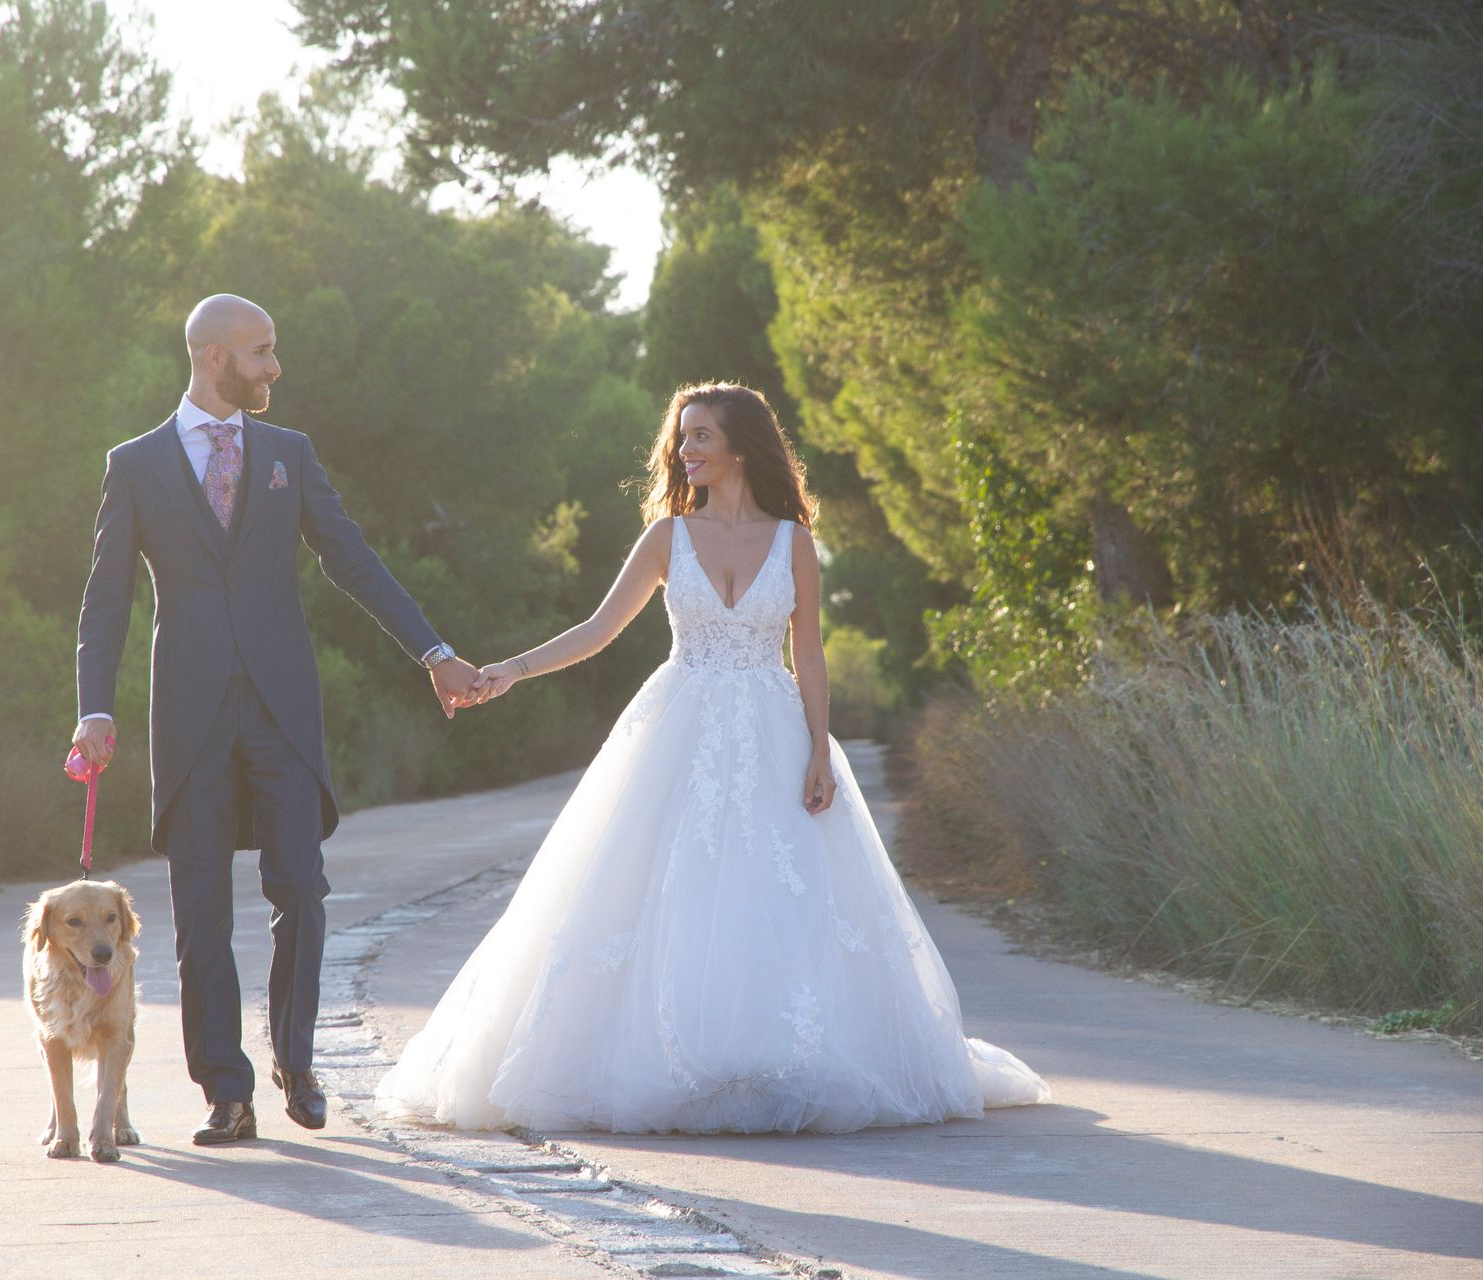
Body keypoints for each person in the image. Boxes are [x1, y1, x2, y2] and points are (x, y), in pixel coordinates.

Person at [377, 382, 1051, 1134]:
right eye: (682, 437)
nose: (684, 451)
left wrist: (820, 750)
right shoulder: (667, 536)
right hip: (679, 725)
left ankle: (774, 1056)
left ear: (740, 445)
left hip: (774, 728)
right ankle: (670, 1057)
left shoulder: (795, 542)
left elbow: (810, 654)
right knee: (662, 888)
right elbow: (599, 628)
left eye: (700, 436)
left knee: (776, 893)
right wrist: (510, 670)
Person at [72, 294, 484, 1145]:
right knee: (201, 915)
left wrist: (434, 653)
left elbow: (354, 562)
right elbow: (105, 597)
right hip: (189, 719)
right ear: (215, 357)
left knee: (301, 887)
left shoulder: (288, 454)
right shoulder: (137, 464)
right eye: (261, 352)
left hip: (283, 712)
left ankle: (295, 1057)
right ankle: (225, 1089)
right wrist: (95, 709)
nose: (274, 367)